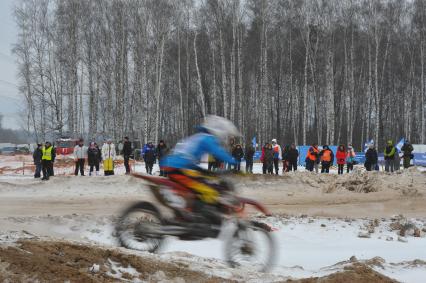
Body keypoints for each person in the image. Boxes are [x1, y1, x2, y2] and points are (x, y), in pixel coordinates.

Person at [160, 115, 238, 224]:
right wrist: (235, 163)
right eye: (225, 134)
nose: (224, 137)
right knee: (208, 191)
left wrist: (204, 171)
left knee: (198, 184)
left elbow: (186, 157)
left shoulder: (196, 137)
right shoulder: (207, 138)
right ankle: (196, 218)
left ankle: (186, 215)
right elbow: (219, 152)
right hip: (179, 168)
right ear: (218, 130)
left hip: (174, 166)